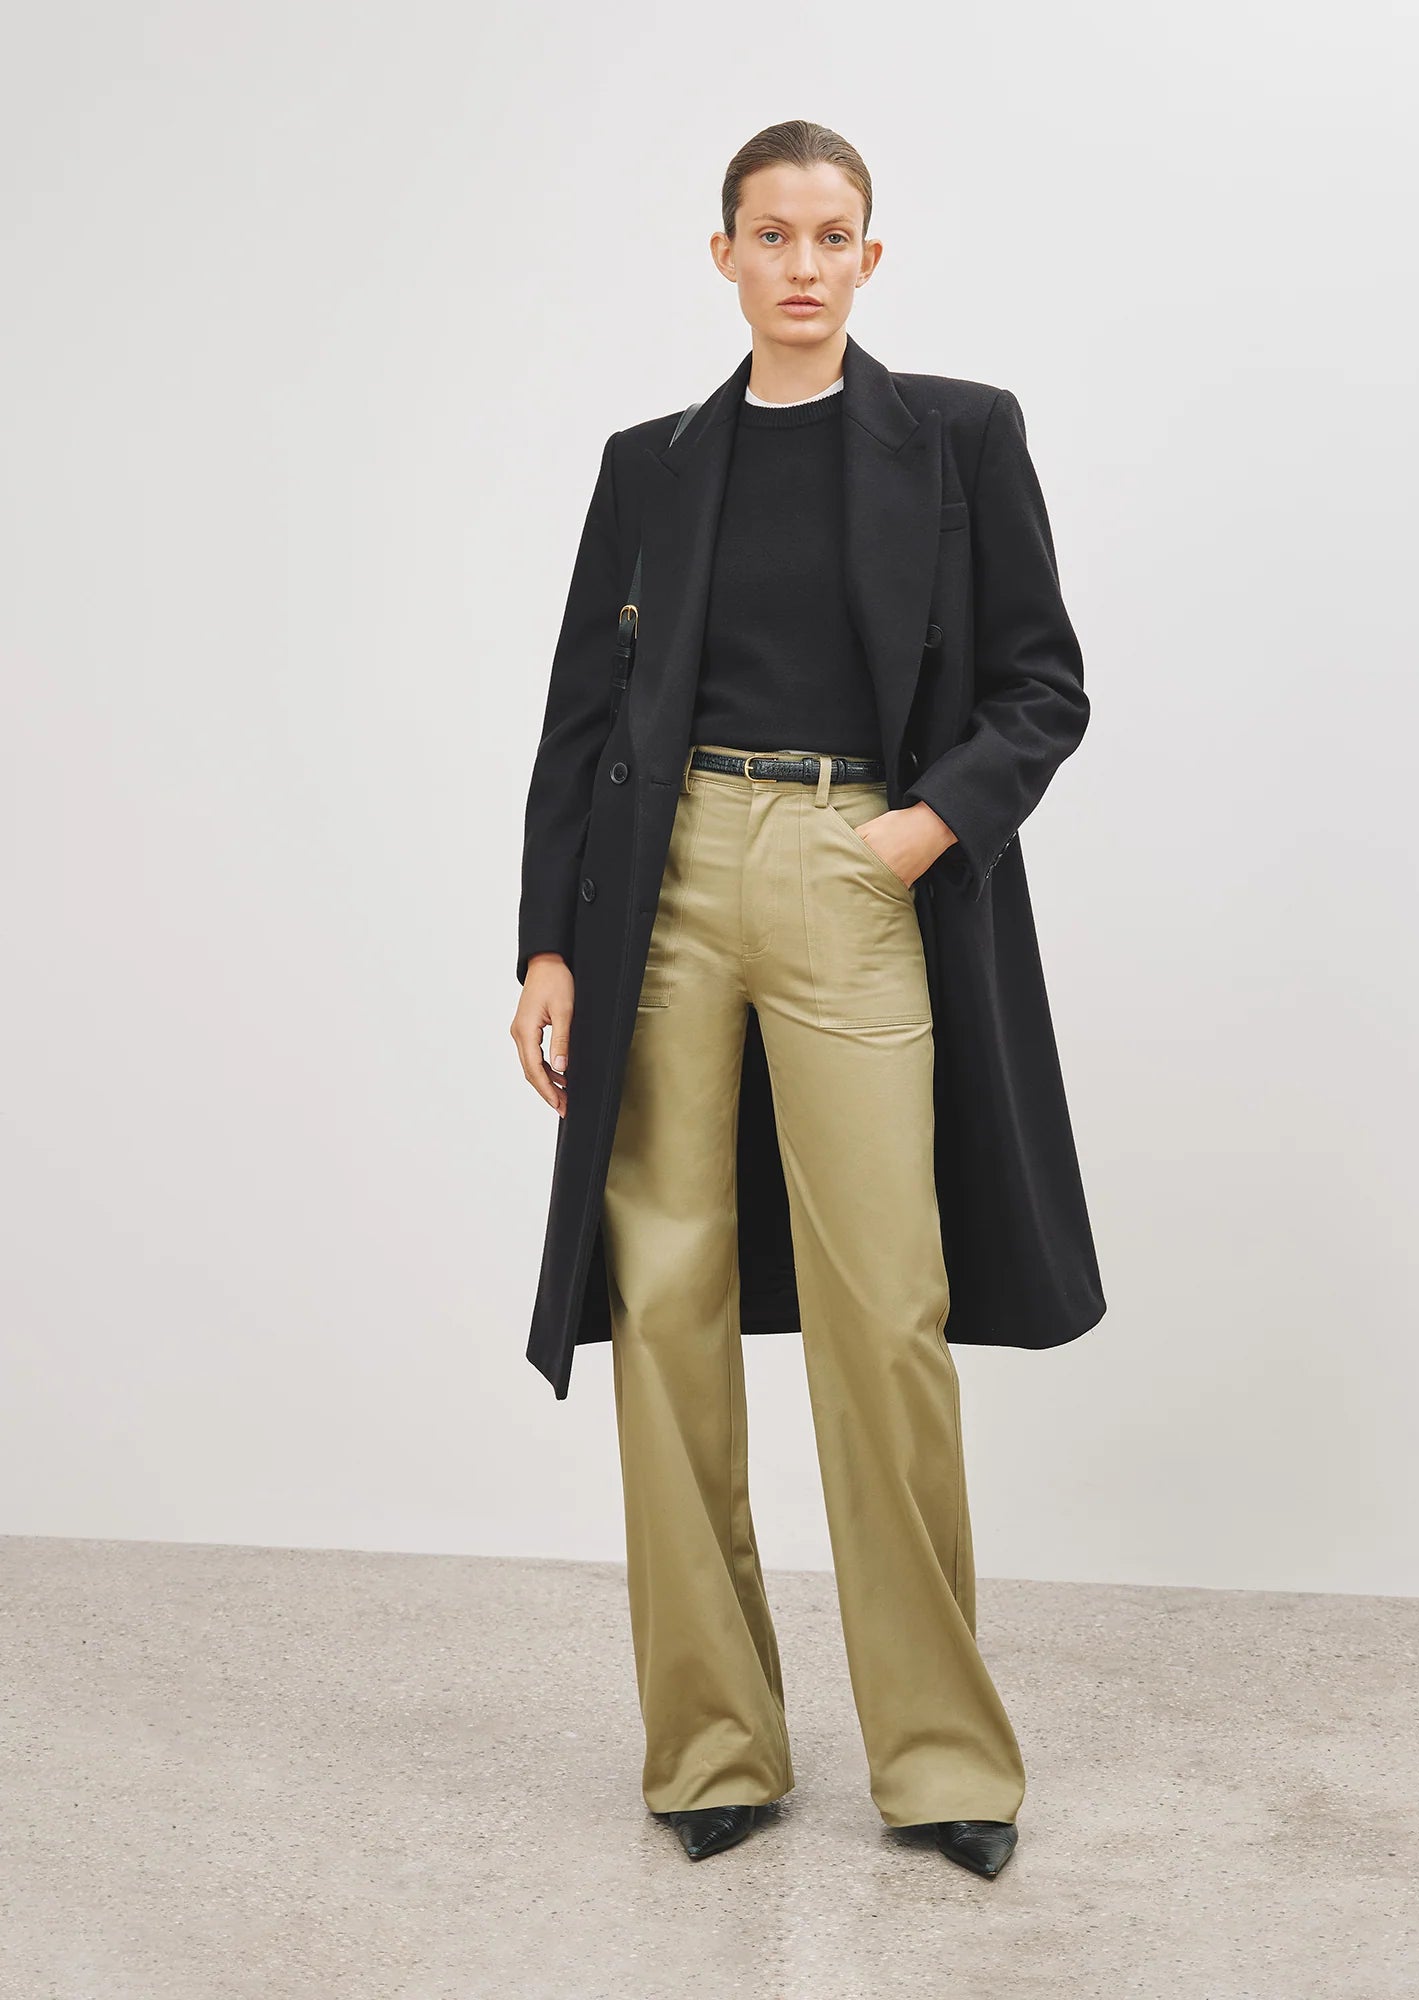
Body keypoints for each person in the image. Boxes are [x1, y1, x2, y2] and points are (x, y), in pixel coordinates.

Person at [510, 120, 1102, 1879]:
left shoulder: (959, 437)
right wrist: (547, 944)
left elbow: (1043, 686)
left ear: (870, 257)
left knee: (884, 1309)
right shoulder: (651, 464)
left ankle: (942, 1761)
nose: (802, 264)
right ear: (724, 256)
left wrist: (924, 828)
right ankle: (711, 1747)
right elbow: (579, 717)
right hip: (668, 883)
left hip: (859, 871)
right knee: (665, 1295)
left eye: (833, 235)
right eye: (771, 234)